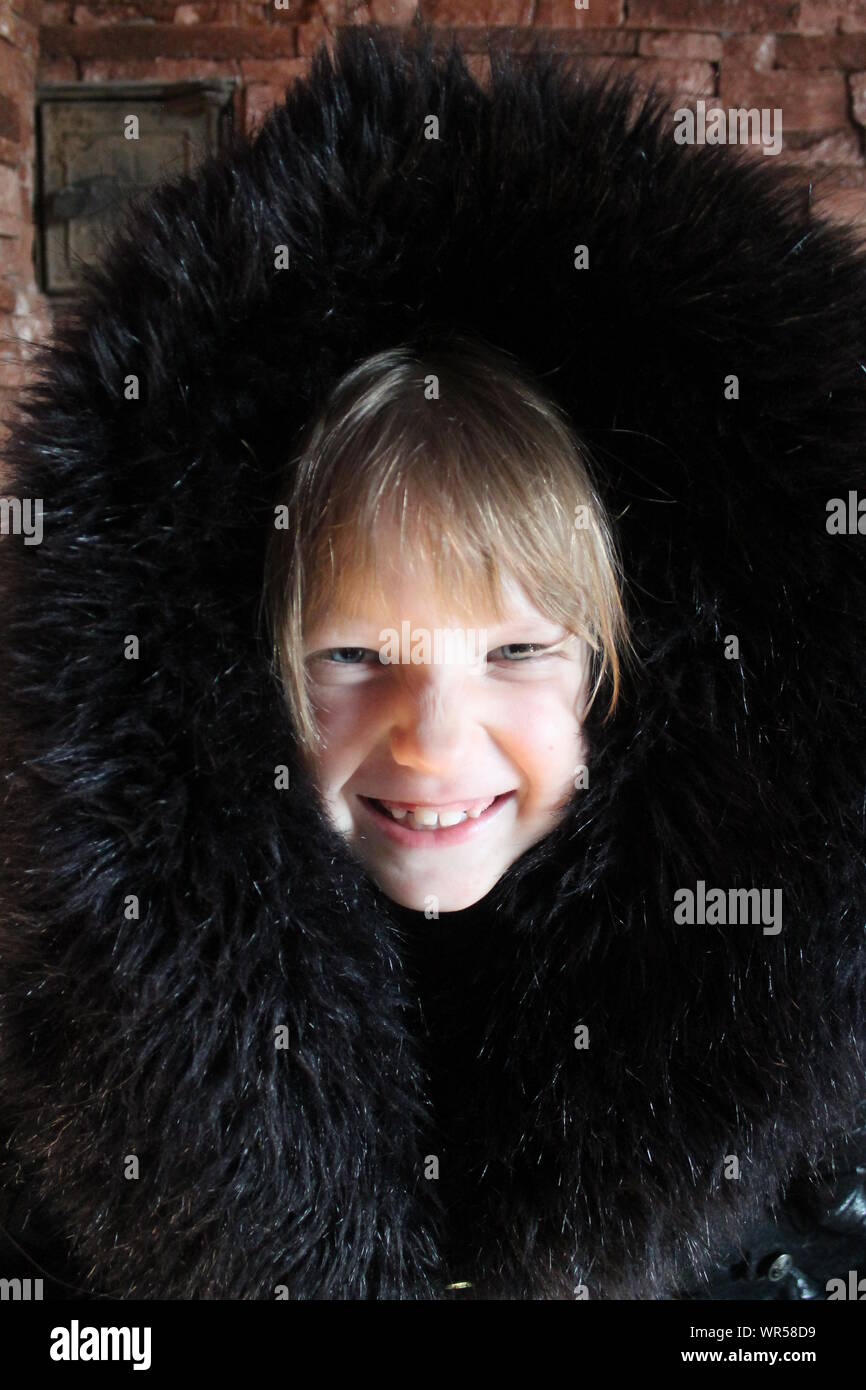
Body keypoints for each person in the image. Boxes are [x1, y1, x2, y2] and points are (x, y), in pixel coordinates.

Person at [0, 22, 864, 1301]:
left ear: (613, 686)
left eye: (516, 649)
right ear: (243, 688)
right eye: (353, 654)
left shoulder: (810, 1103)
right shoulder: (65, 1086)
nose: (433, 739)